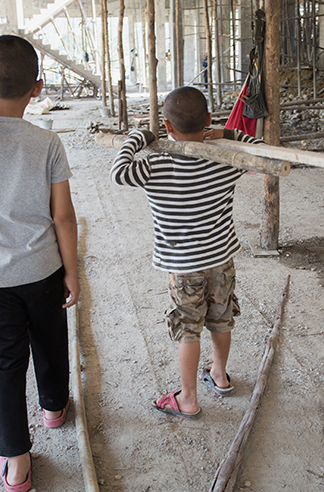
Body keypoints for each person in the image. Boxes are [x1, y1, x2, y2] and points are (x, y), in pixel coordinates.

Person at [0, 35, 79, 492]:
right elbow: (62, 216)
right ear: (38, 88)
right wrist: (72, 271)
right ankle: (54, 408)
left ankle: (17, 462)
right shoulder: (47, 142)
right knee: (50, 341)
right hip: (43, 269)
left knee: (5, 365)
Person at [110, 86, 262, 419]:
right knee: (221, 317)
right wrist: (226, 133)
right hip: (221, 259)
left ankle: (189, 399)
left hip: (183, 266)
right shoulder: (225, 160)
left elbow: (118, 172)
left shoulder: (154, 166)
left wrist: (138, 137)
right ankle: (219, 376)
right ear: (208, 119)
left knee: (188, 329)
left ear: (167, 126)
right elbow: (261, 151)